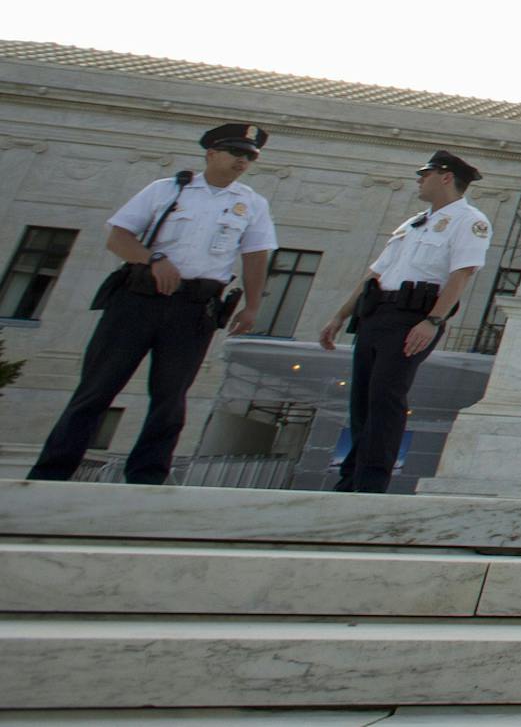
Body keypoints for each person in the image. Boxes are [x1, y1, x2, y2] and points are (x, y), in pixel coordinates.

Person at [29, 122, 275, 485]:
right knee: (97, 388)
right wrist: (152, 259)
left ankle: (147, 475)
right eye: (236, 153)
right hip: (138, 300)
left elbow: (255, 256)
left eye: (249, 157)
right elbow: (118, 237)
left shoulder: (250, 204)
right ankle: (52, 472)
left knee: (171, 396)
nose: (242, 162)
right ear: (211, 153)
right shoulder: (166, 191)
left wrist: (252, 306)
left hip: (195, 308)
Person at [318, 149, 492, 492]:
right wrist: (340, 315)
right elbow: (376, 272)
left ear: (445, 177)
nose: (419, 180)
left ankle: (371, 483)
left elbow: (461, 275)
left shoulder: (470, 221)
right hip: (376, 312)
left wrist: (433, 321)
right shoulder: (413, 223)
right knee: (363, 400)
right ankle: (350, 478)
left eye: (425, 174)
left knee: (386, 396)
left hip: (413, 318)